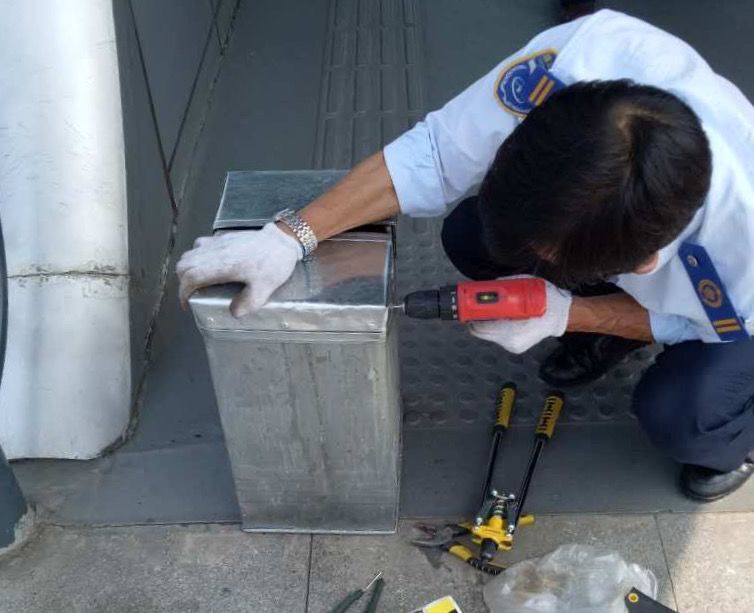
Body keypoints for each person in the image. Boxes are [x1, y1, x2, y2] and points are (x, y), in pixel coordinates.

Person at [176, 9, 754, 502]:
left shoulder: (742, 235)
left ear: (643, 263)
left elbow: (701, 325)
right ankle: (610, 329)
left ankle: (733, 441)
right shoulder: (570, 68)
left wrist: (571, 313)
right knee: (471, 235)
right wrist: (290, 235)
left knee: (684, 416)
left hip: (741, 320)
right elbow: (435, 153)